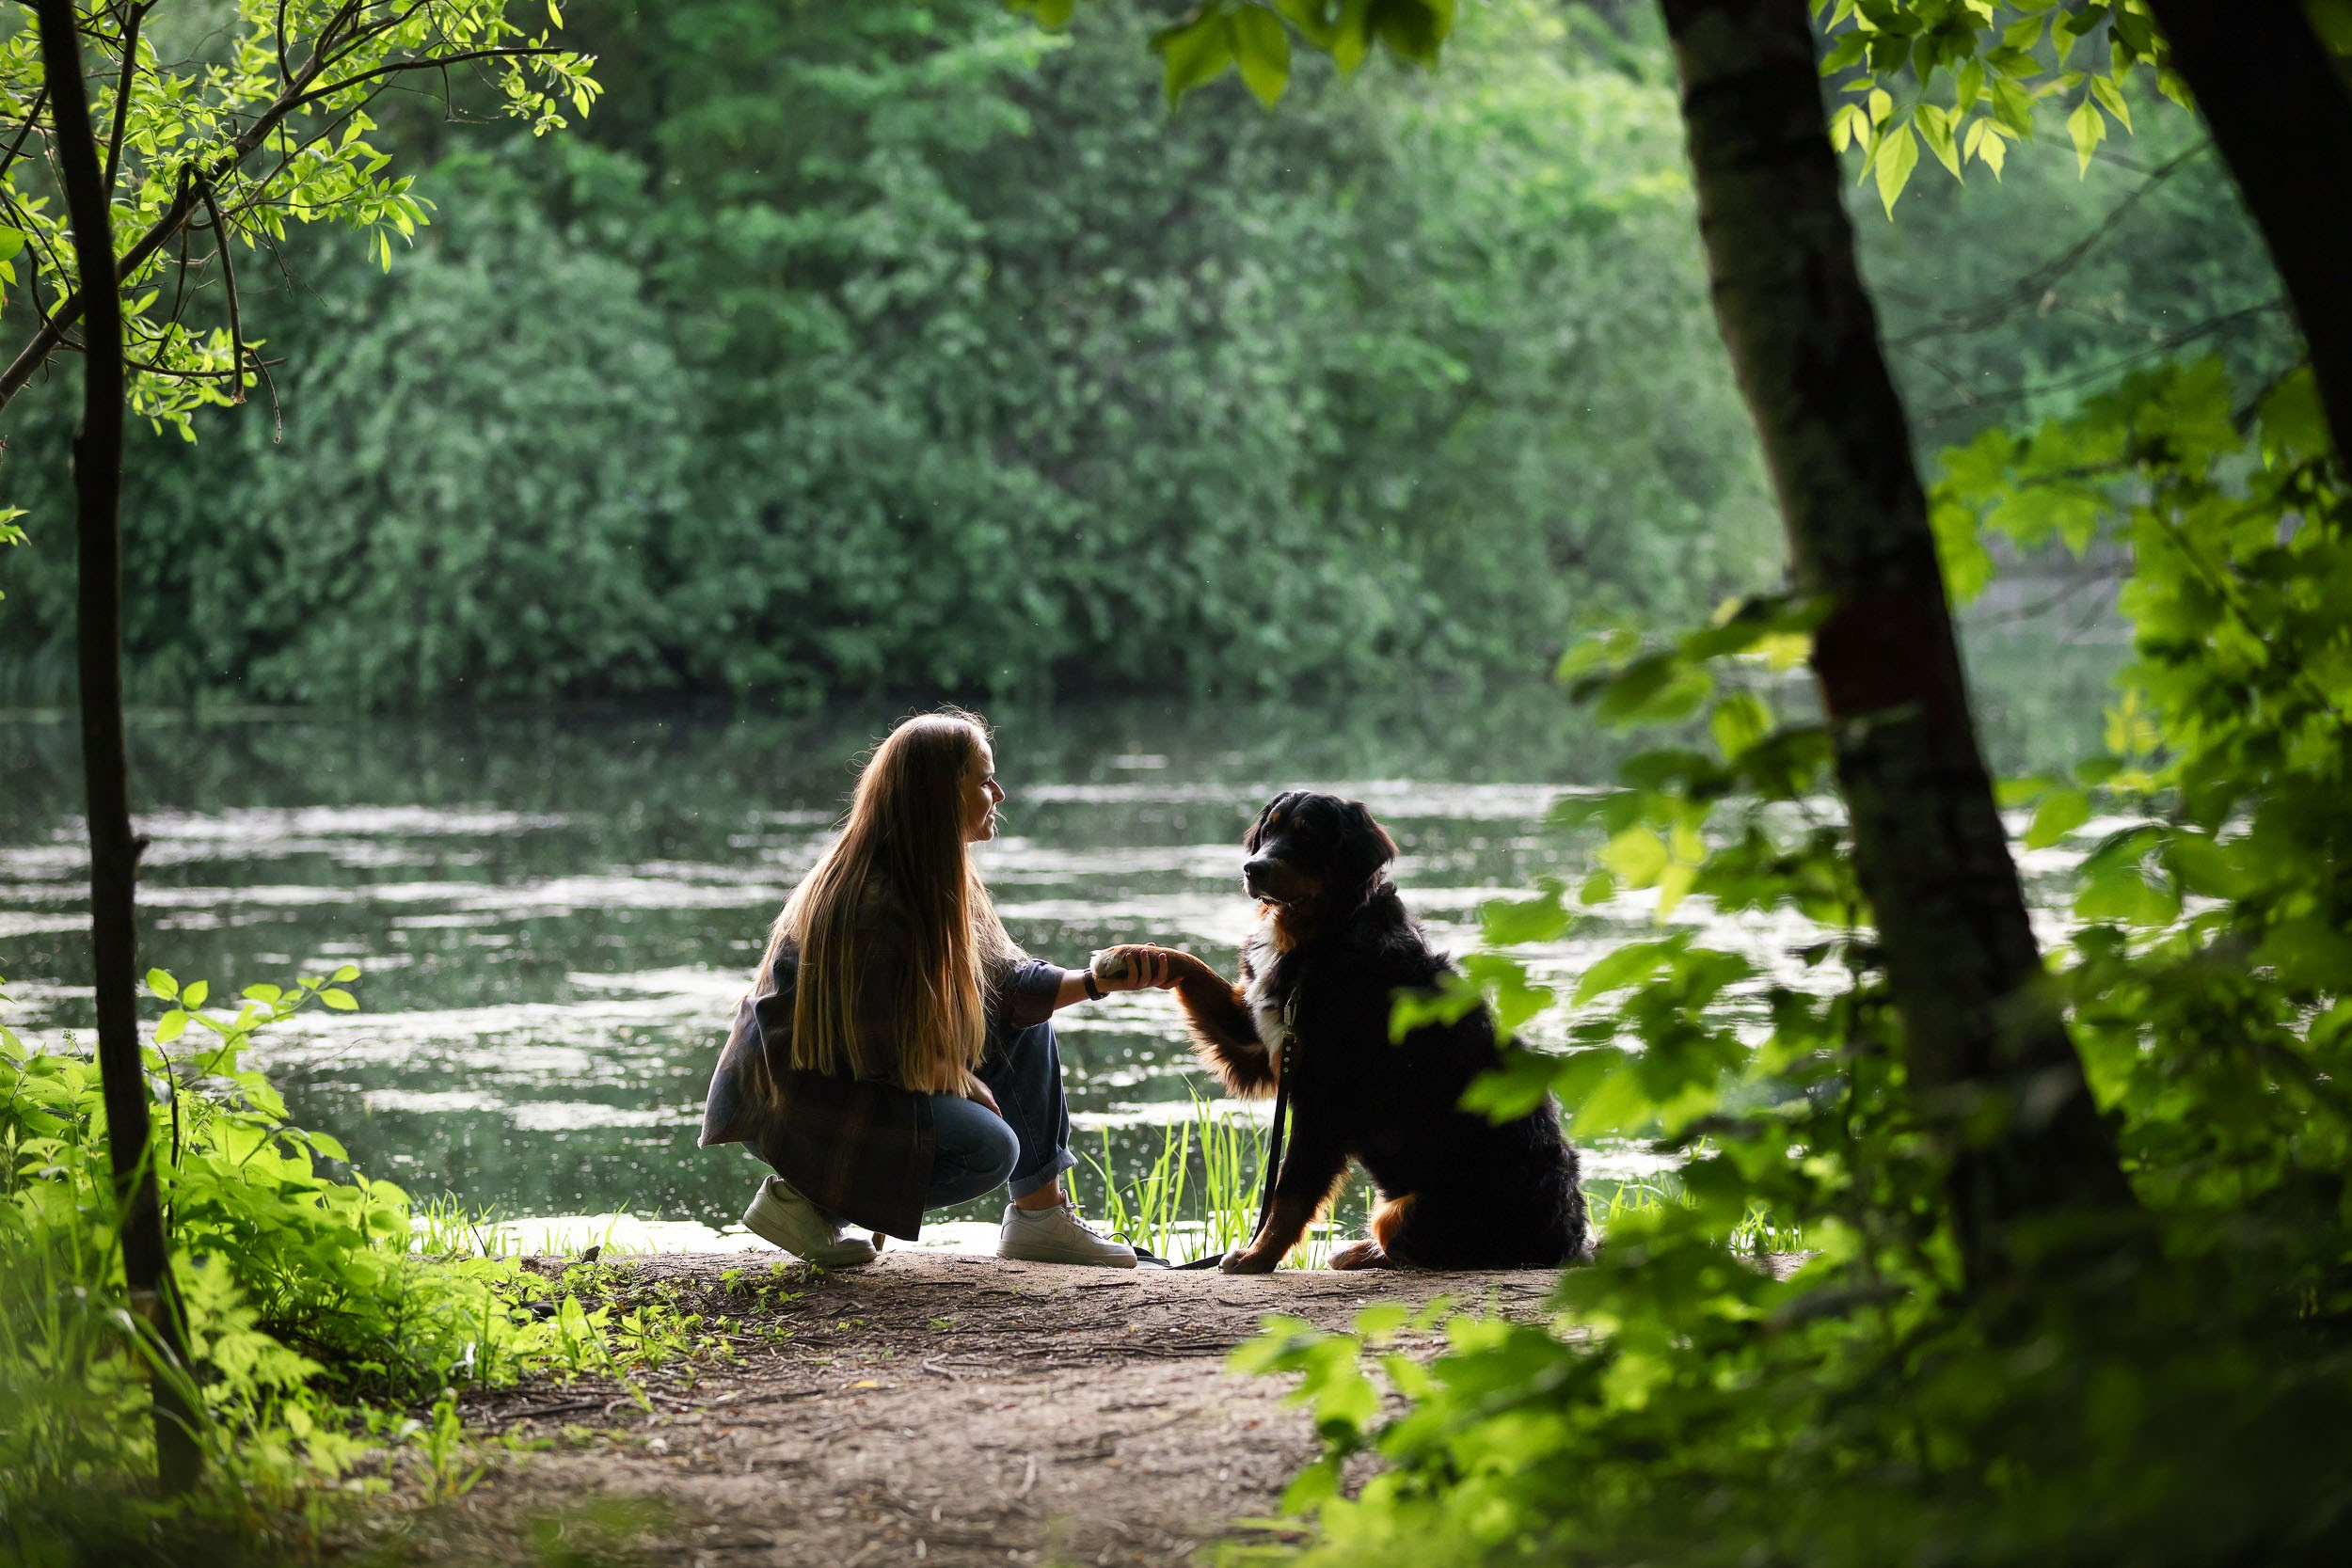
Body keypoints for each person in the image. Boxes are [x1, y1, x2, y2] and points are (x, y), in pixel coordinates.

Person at [698, 707, 1197, 1269]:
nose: (999, 794)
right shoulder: (867, 898)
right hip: (798, 1102)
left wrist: (1096, 982)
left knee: (1026, 1025)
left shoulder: (932, 872)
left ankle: (1041, 1220)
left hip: (856, 1078)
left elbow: (1006, 986)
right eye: (984, 781)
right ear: (938, 793)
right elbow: (867, 1046)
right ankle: (808, 1204)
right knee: (989, 1148)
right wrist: (951, 1077)